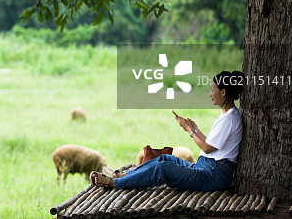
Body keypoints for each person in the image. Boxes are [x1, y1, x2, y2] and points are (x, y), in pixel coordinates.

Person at [90, 70, 244, 191]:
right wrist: (195, 129)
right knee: (164, 158)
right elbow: (212, 144)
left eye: (212, 90)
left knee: (162, 169)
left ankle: (115, 183)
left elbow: (208, 148)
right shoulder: (227, 116)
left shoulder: (229, 119)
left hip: (212, 176)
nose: (210, 94)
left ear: (223, 92)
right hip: (206, 167)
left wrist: (189, 130)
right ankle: (125, 176)